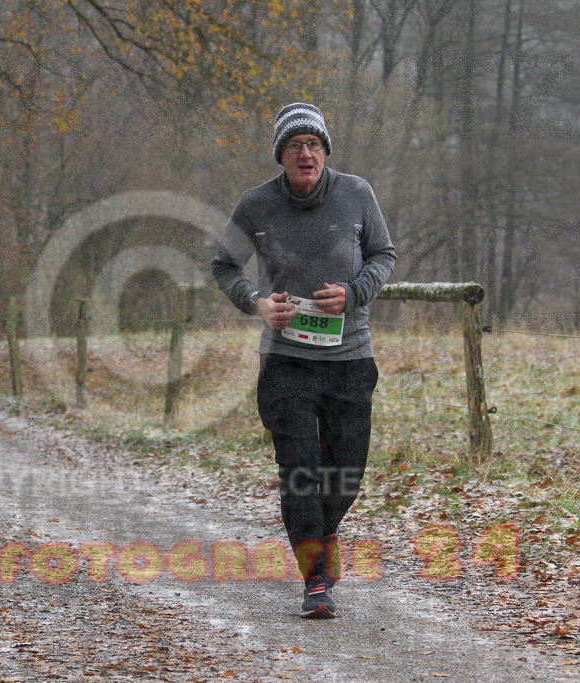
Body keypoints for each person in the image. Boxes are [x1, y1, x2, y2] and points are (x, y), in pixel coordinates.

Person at [211, 102, 396, 618]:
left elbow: (384, 254)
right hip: (286, 362)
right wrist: (256, 302)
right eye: (294, 145)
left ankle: (325, 528)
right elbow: (224, 264)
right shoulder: (255, 206)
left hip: (350, 357)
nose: (305, 153)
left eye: (313, 143)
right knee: (300, 472)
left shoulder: (356, 194)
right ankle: (316, 581)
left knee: (346, 475)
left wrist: (356, 292)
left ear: (325, 151)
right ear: (281, 155)